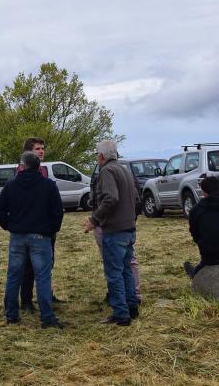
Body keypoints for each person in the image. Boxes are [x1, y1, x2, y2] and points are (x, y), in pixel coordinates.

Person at [0, 151, 64, 328]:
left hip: (18, 237)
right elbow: (57, 212)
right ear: (39, 167)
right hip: (41, 237)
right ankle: (47, 318)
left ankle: (11, 315)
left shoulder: (11, 185)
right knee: (42, 278)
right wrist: (51, 230)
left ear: (22, 166)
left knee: (14, 276)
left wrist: (10, 226)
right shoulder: (48, 185)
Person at [83, 139, 140, 326]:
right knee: (126, 271)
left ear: (101, 156)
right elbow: (134, 198)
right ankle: (132, 308)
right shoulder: (124, 170)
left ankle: (120, 315)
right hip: (128, 229)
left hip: (115, 231)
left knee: (114, 274)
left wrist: (94, 219)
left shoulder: (107, 171)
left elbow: (111, 198)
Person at [16, 137, 62, 313]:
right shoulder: (21, 172)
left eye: (42, 148)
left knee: (47, 263)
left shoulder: (43, 170)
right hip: (30, 228)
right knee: (28, 266)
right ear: (29, 152)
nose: (41, 151)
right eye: (37, 149)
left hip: (46, 227)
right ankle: (26, 301)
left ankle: (47, 295)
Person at [184, 176, 219, 278]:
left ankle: (194, 273)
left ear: (204, 192)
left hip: (209, 254)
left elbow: (195, 235)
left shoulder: (196, 210)